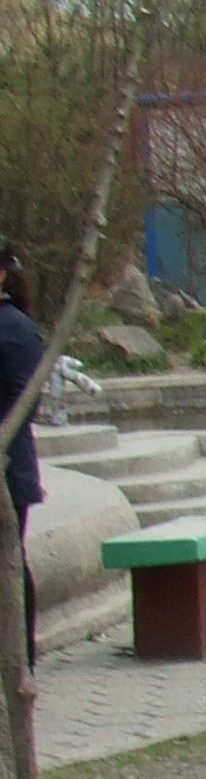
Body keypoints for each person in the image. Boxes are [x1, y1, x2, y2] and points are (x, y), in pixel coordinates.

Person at [0, 254, 47, 678]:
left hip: (7, 471)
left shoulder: (13, 329)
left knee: (9, 564)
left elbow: (23, 403)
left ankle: (20, 660)